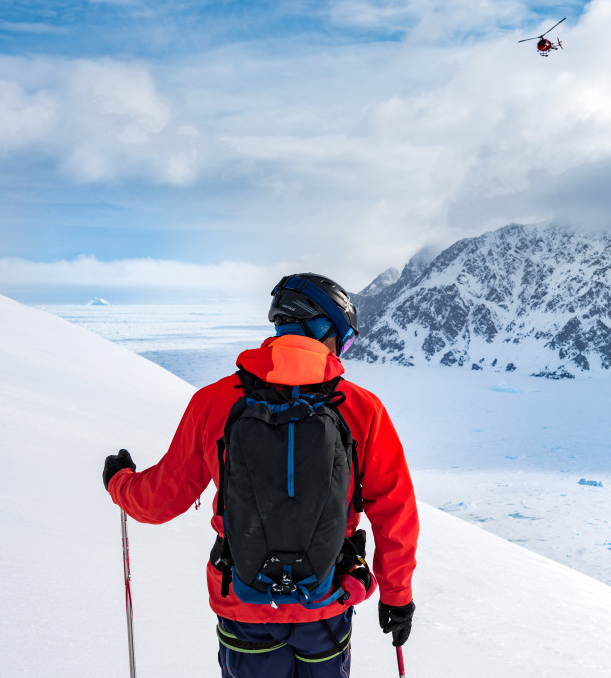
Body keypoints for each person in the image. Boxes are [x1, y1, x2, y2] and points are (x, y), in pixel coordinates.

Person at [103, 273, 419, 677]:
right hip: (326, 603)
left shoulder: (215, 402)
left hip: (244, 605)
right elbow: (395, 510)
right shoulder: (361, 408)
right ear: (326, 331)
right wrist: (396, 596)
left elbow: (159, 501)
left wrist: (120, 481)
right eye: (346, 339)